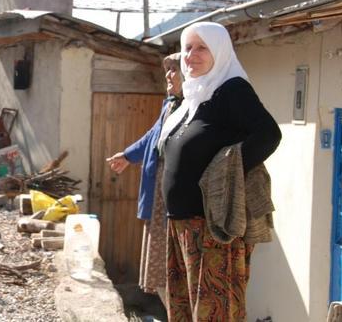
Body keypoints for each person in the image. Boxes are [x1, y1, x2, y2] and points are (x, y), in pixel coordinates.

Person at [158, 22, 281, 321]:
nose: (191, 55)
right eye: (187, 48)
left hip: (211, 228)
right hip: (182, 225)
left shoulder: (232, 90)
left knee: (216, 313)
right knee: (185, 310)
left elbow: (269, 134)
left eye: (202, 47)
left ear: (220, 51)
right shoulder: (192, 98)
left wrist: (225, 173)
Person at [106, 52, 182, 302]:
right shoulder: (170, 105)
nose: (168, 75)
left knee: (175, 273)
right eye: (167, 70)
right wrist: (128, 155)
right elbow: (153, 135)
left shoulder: (193, 107)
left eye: (175, 69)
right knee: (160, 272)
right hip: (158, 199)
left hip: (175, 201)